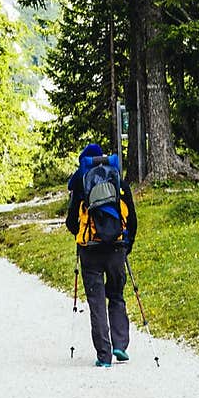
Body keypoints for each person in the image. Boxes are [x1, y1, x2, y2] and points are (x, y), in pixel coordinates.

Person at [66, 142, 137, 367]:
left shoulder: (81, 181)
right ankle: (120, 345)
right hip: (116, 248)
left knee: (96, 302)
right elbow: (131, 216)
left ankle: (104, 356)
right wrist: (127, 244)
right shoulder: (116, 178)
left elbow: (70, 220)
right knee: (116, 295)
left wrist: (80, 234)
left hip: (90, 250)